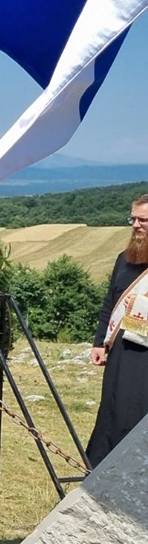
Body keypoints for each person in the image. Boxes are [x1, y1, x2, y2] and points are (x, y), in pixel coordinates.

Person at [87, 195, 148, 467]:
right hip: (121, 349)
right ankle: (102, 467)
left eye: (143, 220)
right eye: (132, 219)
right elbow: (110, 303)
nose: (136, 225)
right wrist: (100, 342)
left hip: (145, 356)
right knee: (112, 409)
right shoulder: (124, 259)